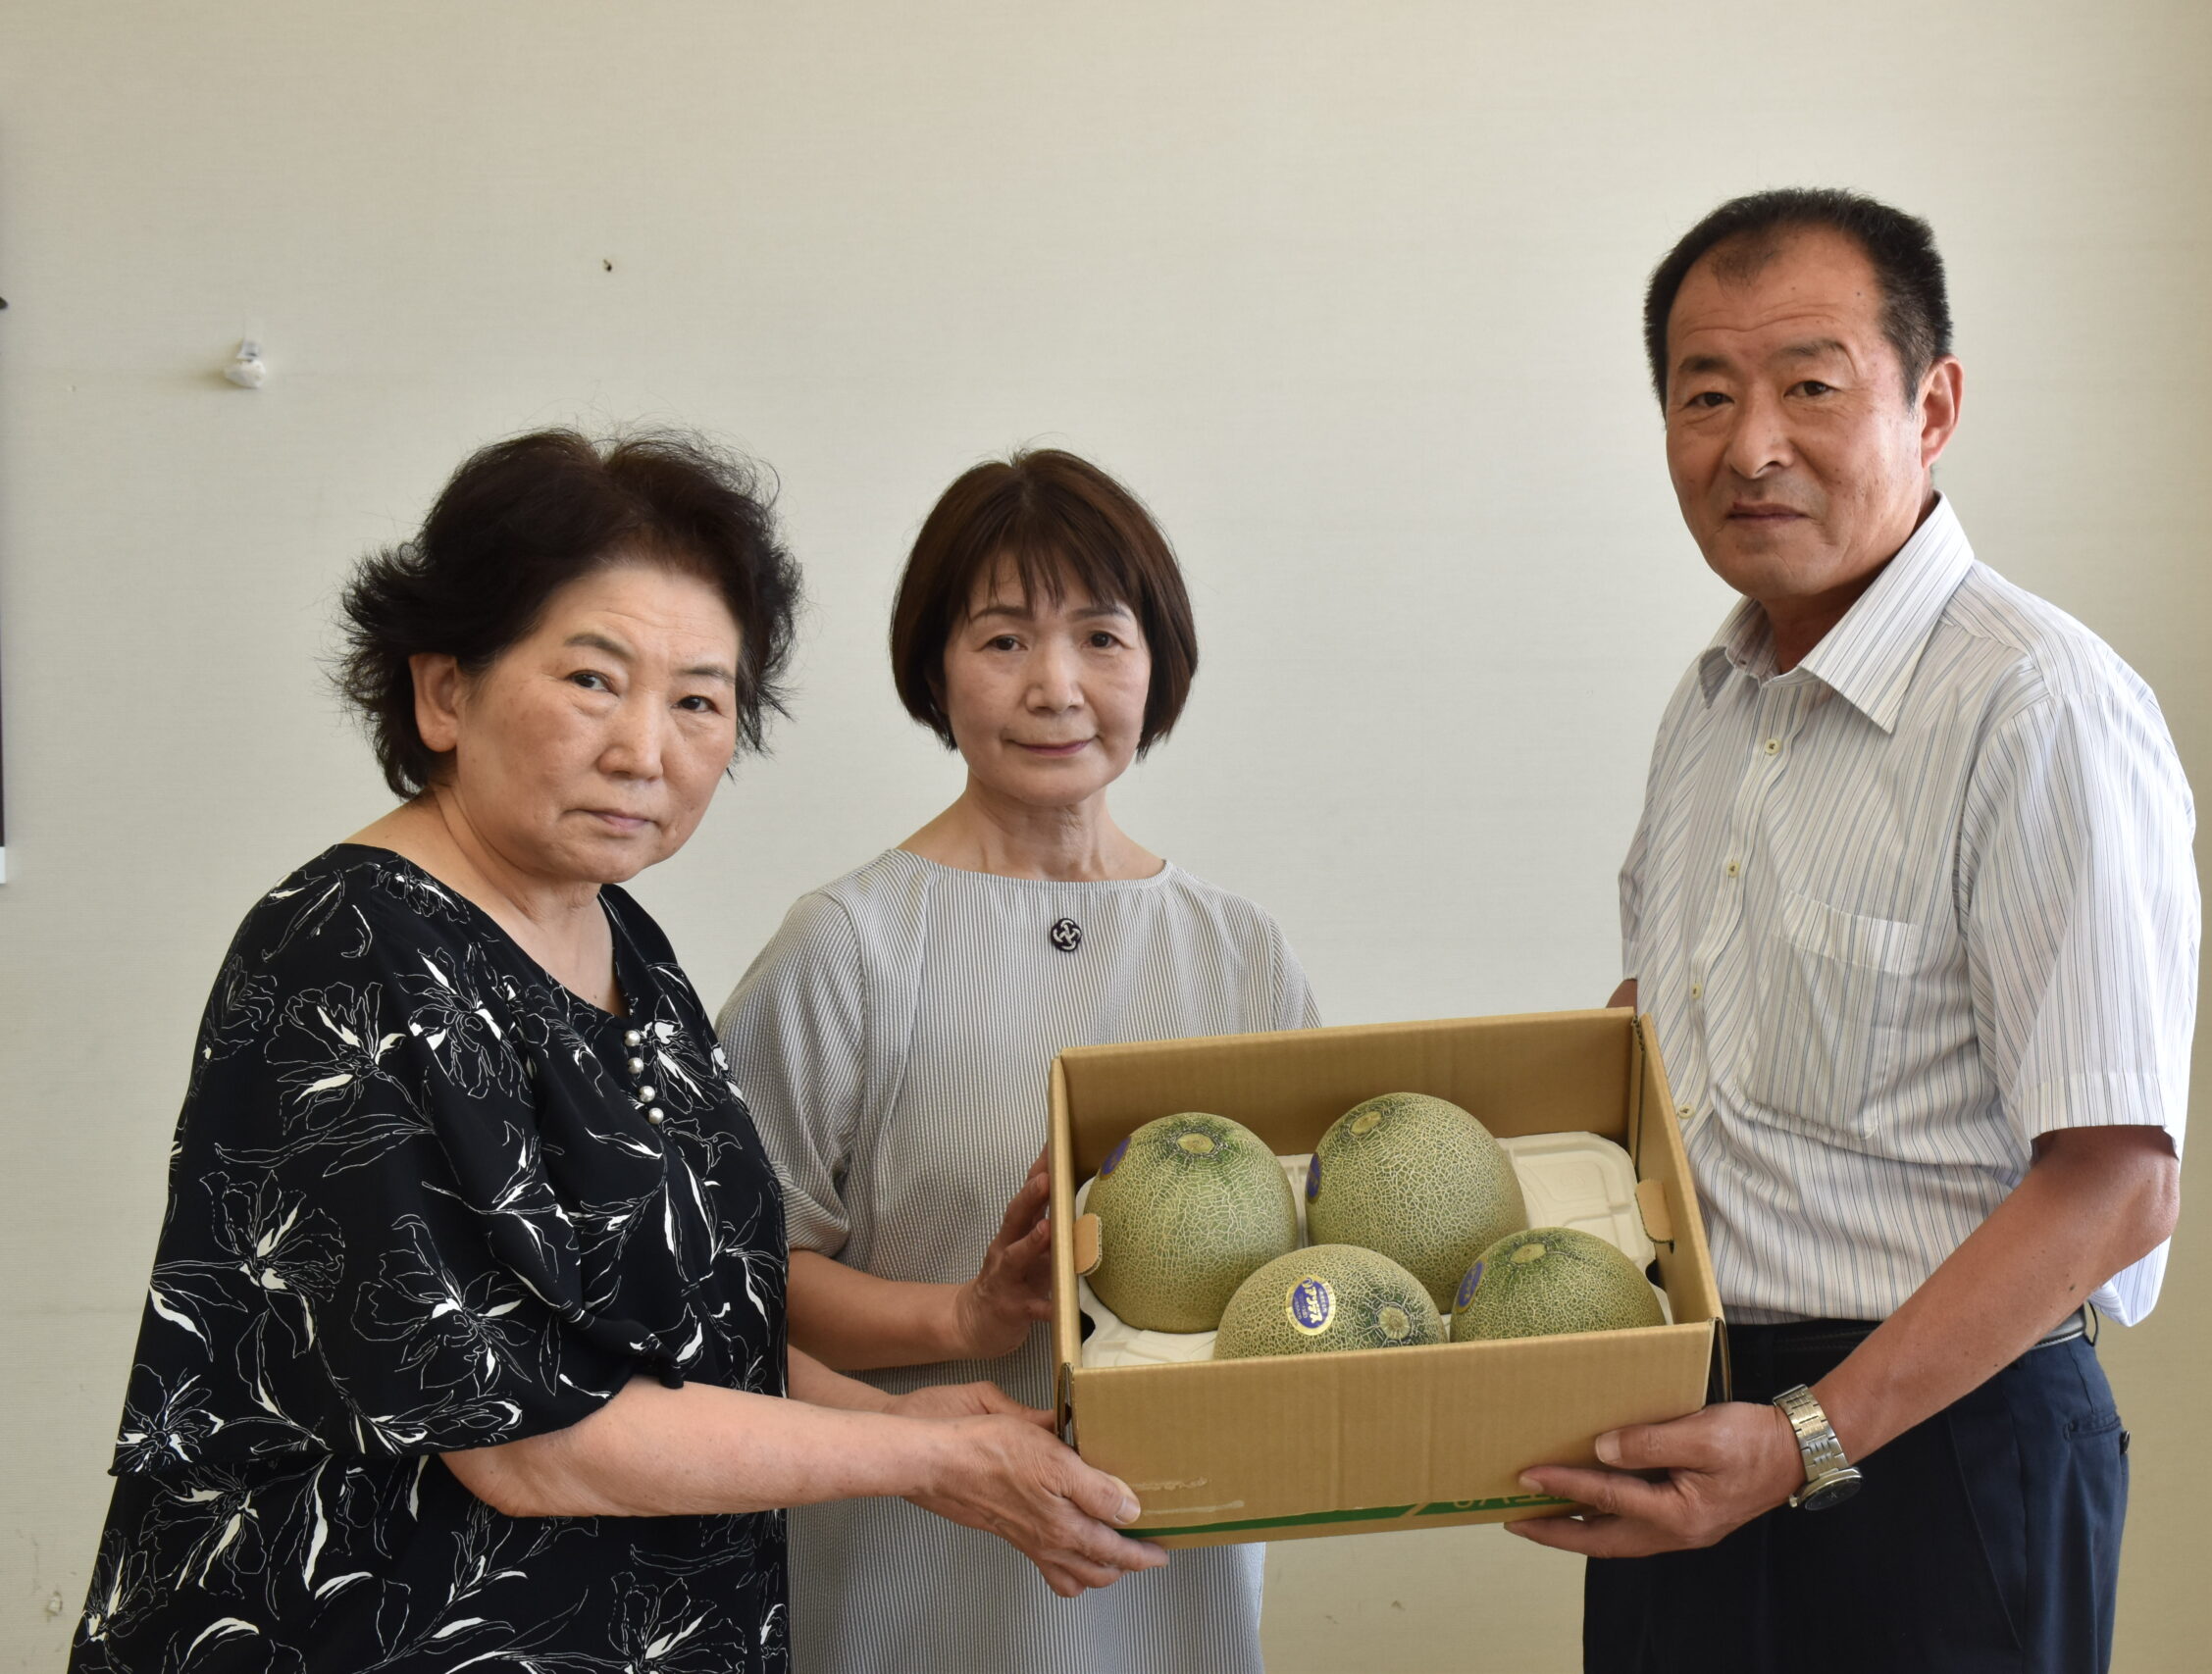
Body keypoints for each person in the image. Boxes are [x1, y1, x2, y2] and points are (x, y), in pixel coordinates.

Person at [72, 430, 1161, 1674]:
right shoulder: (345, 953)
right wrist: (926, 1456)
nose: (647, 749)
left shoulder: (619, 939)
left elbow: (695, 1338)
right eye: (594, 680)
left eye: (699, 700)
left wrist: (911, 1415)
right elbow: (531, 1441)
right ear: (443, 691)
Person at [1513, 190, 2199, 1674]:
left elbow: (2116, 1182)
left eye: (1811, 385)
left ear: (1932, 401)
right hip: (1697, 1419)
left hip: (1943, 1446)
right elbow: (1662, 1042)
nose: (1750, 443)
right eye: (1705, 394)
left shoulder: (2039, 707)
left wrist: (1805, 1436)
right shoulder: (1707, 710)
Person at [719, 446, 1317, 1674]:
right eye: (1001, 641)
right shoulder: (847, 947)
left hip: (1173, 1585)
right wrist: (969, 1311)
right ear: (934, 672)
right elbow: (725, 1293)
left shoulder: (1241, 954)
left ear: (1158, 664)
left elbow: (1317, 1259)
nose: (1056, 686)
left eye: (1101, 637)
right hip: (908, 1581)